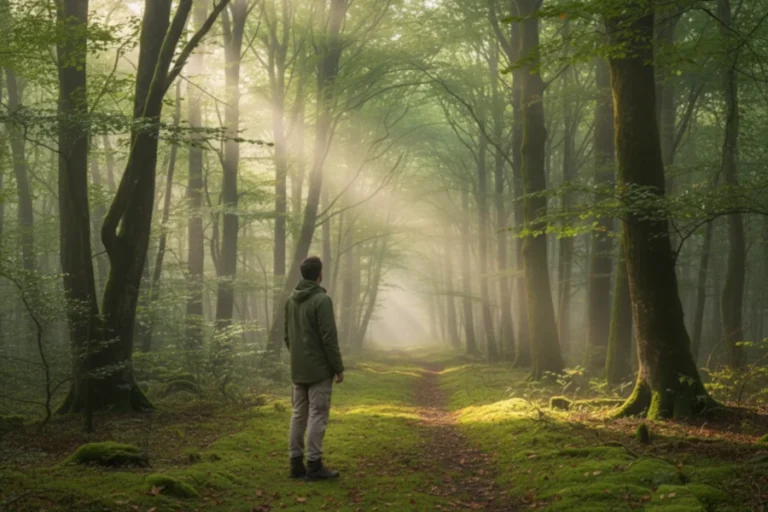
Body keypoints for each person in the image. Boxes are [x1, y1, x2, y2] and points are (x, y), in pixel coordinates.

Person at [284, 256, 345, 480]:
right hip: (319, 370)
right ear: (319, 275)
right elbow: (329, 337)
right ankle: (314, 466)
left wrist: (298, 357)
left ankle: (295, 465)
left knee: (298, 415)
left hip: (298, 369)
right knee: (317, 415)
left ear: (302, 274)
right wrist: (338, 368)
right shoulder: (321, 300)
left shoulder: (291, 300)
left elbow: (287, 336)